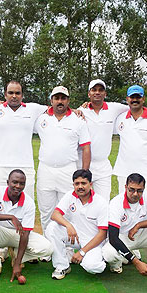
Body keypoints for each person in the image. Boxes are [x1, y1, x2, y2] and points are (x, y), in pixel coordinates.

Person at [78, 79, 147, 202]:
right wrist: (77, 109)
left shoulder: (115, 109)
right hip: (82, 163)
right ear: (89, 93)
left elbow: (136, 107)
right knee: (81, 201)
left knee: (103, 203)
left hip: (103, 166)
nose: (97, 92)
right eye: (94, 90)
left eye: (101, 90)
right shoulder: (81, 111)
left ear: (105, 94)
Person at [34, 86, 91, 237]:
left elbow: (86, 148)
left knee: (67, 210)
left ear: (68, 100)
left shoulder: (78, 120)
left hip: (68, 170)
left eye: (63, 98)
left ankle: (66, 247)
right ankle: (47, 246)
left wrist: (84, 174)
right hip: (45, 170)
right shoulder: (41, 119)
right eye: (57, 98)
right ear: (51, 101)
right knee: (46, 211)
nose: (60, 101)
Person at [0, 169, 53, 282]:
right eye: (14, 182)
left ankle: (16, 255)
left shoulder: (28, 203)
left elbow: (25, 235)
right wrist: (10, 217)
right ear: (8, 182)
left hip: (18, 235)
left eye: (21, 183)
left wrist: (18, 264)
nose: (18, 186)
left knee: (47, 249)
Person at [102, 173, 147, 285]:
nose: (135, 194)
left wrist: (138, 225)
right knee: (109, 254)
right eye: (131, 190)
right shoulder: (116, 203)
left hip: (142, 235)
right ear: (125, 187)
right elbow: (113, 238)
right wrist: (136, 262)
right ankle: (122, 259)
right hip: (122, 238)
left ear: (144, 189)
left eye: (139, 190)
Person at [0, 81, 48, 201]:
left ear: (22, 95)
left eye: (17, 93)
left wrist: (76, 111)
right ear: (5, 94)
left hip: (25, 166)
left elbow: (57, 109)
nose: (14, 96)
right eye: (10, 93)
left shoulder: (33, 108)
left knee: (26, 203)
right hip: (1, 166)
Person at [46, 169, 108, 280]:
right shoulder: (70, 195)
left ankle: (104, 257)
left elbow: (102, 234)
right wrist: (68, 225)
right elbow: (55, 214)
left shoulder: (101, 202)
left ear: (90, 184)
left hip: (94, 241)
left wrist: (82, 252)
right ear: (73, 184)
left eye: (83, 183)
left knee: (92, 267)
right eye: (77, 184)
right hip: (76, 236)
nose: (80, 187)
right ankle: (62, 266)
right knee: (52, 228)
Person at [113, 85, 147, 197]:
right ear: (127, 99)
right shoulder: (120, 118)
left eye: (138, 97)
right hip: (124, 173)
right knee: (125, 209)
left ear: (143, 99)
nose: (135, 100)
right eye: (132, 97)